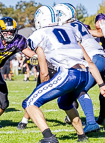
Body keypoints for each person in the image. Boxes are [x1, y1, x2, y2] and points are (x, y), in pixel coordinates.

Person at [23, 5, 105, 142]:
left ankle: (49, 138)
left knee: (29, 103)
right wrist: (101, 85)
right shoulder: (70, 30)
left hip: (68, 73)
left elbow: (44, 71)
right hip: (84, 73)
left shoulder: (39, 35)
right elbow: (89, 62)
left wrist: (43, 86)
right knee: (65, 103)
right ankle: (82, 136)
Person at [54, 3, 105, 133]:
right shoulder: (78, 24)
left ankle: (91, 122)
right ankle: (92, 122)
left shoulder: (66, 28)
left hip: (94, 59)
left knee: (79, 89)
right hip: (100, 58)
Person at [88, 13, 105, 125]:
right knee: (102, 94)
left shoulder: (102, 32)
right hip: (101, 67)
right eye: (99, 21)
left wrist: (84, 31)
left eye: (102, 21)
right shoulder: (94, 35)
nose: (100, 23)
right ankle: (101, 117)